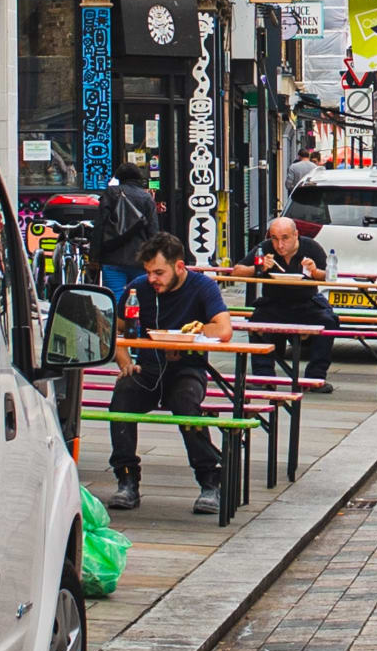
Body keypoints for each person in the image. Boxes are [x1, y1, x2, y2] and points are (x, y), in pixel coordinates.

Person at [109, 230, 238, 517]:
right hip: (148, 367)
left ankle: (209, 480)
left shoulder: (202, 287)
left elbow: (224, 329)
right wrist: (124, 362)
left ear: (179, 266)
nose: (152, 279)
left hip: (188, 368)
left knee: (186, 405)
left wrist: (192, 333)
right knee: (122, 397)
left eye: (159, 272)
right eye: (148, 272)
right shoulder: (138, 288)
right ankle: (127, 477)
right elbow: (113, 330)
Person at [244, 213, 335, 390]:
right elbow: (237, 270)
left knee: (328, 323)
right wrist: (259, 267)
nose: (279, 245)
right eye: (275, 238)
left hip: (306, 302)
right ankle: (264, 378)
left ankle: (315, 378)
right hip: (273, 302)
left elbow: (329, 277)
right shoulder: (265, 248)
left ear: (296, 234)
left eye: (285, 238)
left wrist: (315, 272)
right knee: (256, 322)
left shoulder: (311, 247)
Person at [90, 163, 161, 315]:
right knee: (139, 300)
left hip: (112, 258)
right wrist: (154, 260)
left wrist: (94, 257)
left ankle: (117, 333)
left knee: (116, 299)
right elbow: (153, 232)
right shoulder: (146, 198)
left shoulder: (111, 193)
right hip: (139, 260)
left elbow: (99, 226)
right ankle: (137, 332)